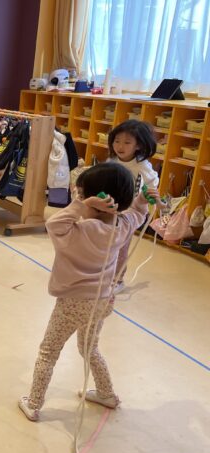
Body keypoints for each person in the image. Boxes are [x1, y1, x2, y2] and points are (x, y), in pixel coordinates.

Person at [18, 163, 156, 421]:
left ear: (96, 200)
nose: (77, 198)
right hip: (102, 301)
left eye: (81, 195)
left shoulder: (80, 231)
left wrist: (81, 206)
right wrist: (142, 199)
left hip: (72, 303)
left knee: (48, 351)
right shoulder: (122, 225)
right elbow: (137, 213)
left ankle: (34, 403)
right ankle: (107, 394)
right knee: (89, 348)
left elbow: (54, 224)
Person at [107, 119, 167, 287]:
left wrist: (159, 203)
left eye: (127, 142)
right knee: (106, 243)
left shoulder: (142, 167)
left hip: (132, 211)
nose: (120, 146)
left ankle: (117, 279)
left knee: (121, 247)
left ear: (138, 145)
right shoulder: (112, 161)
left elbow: (152, 187)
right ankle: (104, 274)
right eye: (117, 141)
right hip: (112, 208)